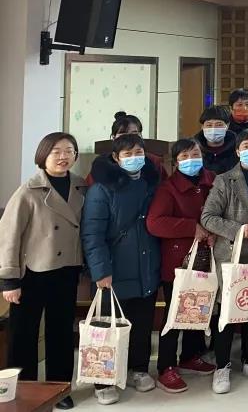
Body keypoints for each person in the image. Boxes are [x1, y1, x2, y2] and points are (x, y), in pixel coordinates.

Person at [0, 133, 87, 409]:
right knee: (23, 335)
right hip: (32, 272)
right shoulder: (28, 190)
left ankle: (59, 388)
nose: (63, 157)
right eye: (56, 152)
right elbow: (9, 237)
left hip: (67, 270)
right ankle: (23, 391)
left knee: (61, 332)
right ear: (43, 156)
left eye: (69, 151)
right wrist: (9, 280)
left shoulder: (81, 186)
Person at [81, 133, 161, 405]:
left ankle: (139, 369)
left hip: (146, 265)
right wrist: (100, 270)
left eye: (139, 152)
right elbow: (92, 234)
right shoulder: (101, 189)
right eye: (127, 154)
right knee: (107, 325)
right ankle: (103, 380)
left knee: (142, 322)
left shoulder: (151, 183)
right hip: (113, 270)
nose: (134, 158)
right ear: (116, 158)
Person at [200, 129, 248, 393]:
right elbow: (208, 217)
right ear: (237, 151)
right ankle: (222, 366)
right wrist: (238, 230)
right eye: (246, 146)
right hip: (230, 257)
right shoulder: (225, 180)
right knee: (228, 313)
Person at [146, 138, 217, 393]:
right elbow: (155, 223)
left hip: (205, 257)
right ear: (176, 162)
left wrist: (214, 230)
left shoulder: (212, 181)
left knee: (198, 308)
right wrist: (191, 227)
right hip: (178, 261)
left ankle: (190, 356)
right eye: (184, 156)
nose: (191, 160)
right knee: (175, 314)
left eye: (195, 154)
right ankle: (166, 366)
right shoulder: (168, 188)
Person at [196, 105, 238, 174]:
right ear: (202, 127)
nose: (213, 128)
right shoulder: (193, 149)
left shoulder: (238, 149)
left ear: (227, 126)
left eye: (219, 125)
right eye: (209, 125)